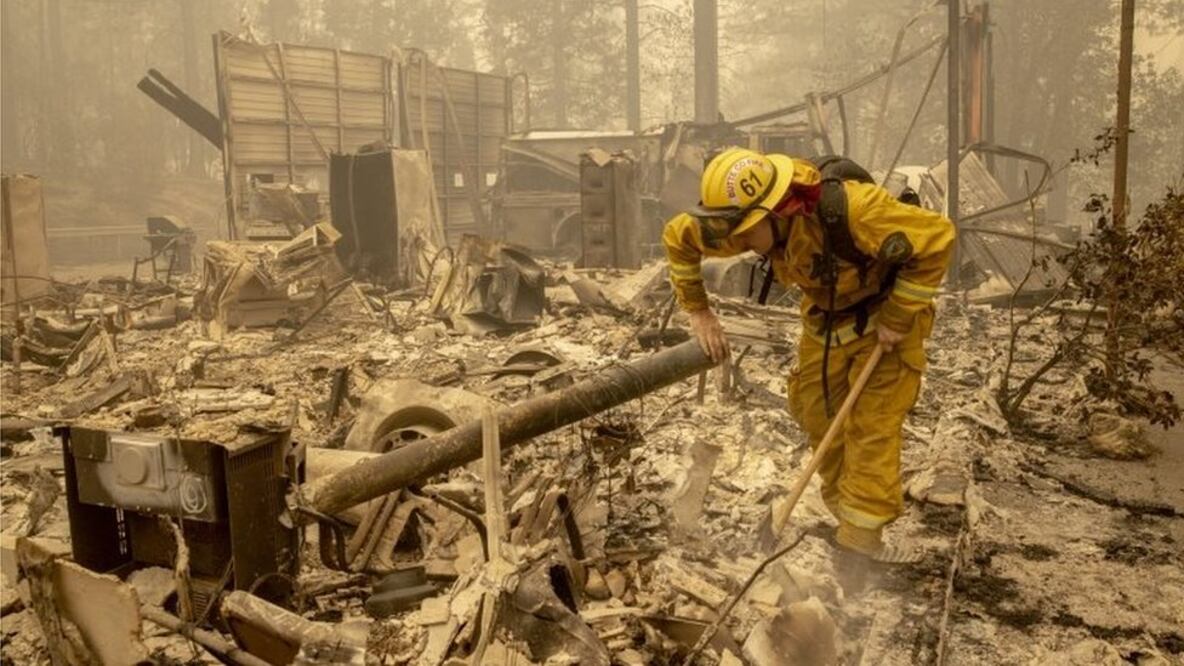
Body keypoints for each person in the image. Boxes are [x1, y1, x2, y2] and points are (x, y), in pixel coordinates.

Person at [662, 147, 955, 563]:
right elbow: (679, 237)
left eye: (746, 231)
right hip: (825, 319)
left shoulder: (859, 210)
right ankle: (844, 512)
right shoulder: (738, 222)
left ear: (779, 211)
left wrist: (899, 314)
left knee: (871, 427)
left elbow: (938, 238)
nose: (738, 242)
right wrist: (699, 311)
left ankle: (860, 545)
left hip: (885, 321)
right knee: (818, 416)